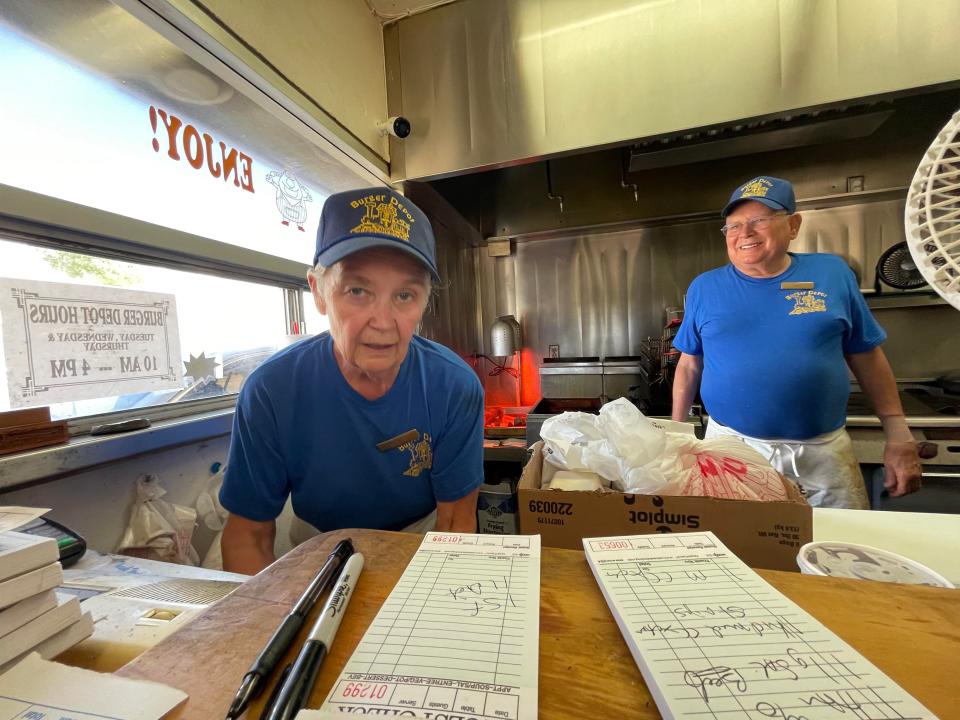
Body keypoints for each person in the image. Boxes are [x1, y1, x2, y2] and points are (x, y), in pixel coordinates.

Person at [219, 187, 484, 574]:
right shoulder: (271, 391)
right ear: (319, 292)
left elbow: (456, 524)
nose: (382, 321)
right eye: (358, 291)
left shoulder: (453, 386)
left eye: (405, 295)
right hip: (316, 548)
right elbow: (248, 535)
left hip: (421, 545)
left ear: (425, 300)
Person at [671, 176, 922, 509]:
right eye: (733, 226)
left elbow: (866, 354)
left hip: (821, 455)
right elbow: (689, 364)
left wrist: (898, 432)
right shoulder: (705, 287)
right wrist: (676, 434)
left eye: (759, 221)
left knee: (837, 548)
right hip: (732, 450)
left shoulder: (832, 274)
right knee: (738, 546)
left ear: (793, 225)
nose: (744, 233)